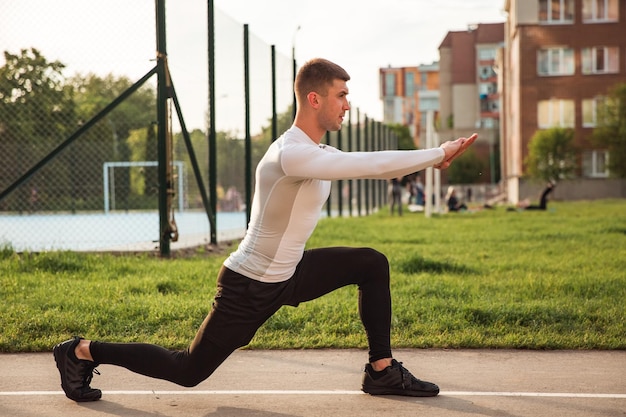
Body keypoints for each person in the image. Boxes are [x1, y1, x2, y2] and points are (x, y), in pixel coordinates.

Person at [53, 58, 477, 402]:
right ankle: (80, 351)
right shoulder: (292, 154)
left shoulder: (318, 150)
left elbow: (376, 168)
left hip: (290, 272)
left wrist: (429, 160)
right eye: (341, 95)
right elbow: (369, 166)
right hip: (250, 284)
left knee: (371, 263)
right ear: (315, 98)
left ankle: (382, 372)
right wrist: (438, 151)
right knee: (188, 371)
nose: (347, 104)